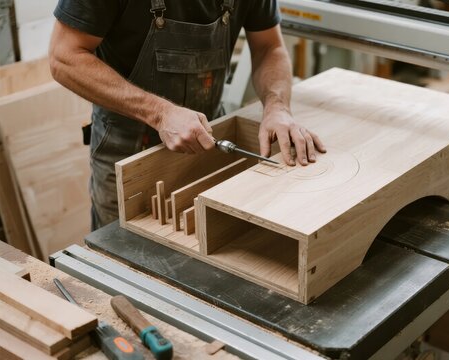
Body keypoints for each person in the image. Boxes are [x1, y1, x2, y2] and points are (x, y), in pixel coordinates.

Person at [48, 0, 326, 230]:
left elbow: (269, 46)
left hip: (207, 142)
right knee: (123, 272)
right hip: (127, 154)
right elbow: (64, 57)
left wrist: (277, 106)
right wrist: (160, 113)